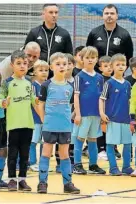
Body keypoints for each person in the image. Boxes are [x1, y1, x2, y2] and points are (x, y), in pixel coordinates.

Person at [37, 52, 80, 194]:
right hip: (50, 125)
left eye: (65, 64)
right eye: (58, 64)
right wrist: (44, 120)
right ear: (51, 67)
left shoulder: (69, 86)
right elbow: (40, 105)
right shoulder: (46, 85)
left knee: (65, 154)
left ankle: (68, 184)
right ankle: (42, 183)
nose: (62, 67)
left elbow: (71, 105)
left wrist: (70, 117)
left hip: (65, 127)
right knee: (46, 153)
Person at [0, 50, 37, 191]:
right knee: (13, 154)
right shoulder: (7, 83)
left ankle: (22, 180)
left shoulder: (29, 83)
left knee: (25, 155)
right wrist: (3, 103)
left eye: (25, 64)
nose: (22, 66)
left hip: (28, 123)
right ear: (12, 65)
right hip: (14, 124)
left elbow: (34, 100)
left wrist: (39, 100)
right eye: (19, 63)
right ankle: (12, 179)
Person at [72, 46, 106, 175]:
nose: (90, 60)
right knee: (79, 139)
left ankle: (93, 164)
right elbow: (76, 96)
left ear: (97, 59)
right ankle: (77, 164)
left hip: (96, 114)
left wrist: (102, 113)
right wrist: (78, 114)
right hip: (84, 114)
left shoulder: (99, 78)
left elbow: (102, 98)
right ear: (81, 59)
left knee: (93, 139)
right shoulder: (79, 76)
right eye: (87, 58)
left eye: (93, 58)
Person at [99, 53, 134, 176]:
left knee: (127, 143)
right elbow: (102, 99)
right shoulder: (109, 83)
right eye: (117, 64)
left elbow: (131, 101)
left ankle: (126, 166)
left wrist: (133, 117)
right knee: (110, 143)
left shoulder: (128, 84)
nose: (120, 66)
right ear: (112, 66)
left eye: (123, 64)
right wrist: (102, 113)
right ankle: (113, 167)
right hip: (112, 118)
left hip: (125, 119)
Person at [86, 4, 134, 72]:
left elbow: (129, 56)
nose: (109, 15)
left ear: (117, 16)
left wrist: (120, 71)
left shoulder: (124, 34)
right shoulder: (94, 32)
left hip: (116, 75)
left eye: (112, 13)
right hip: (96, 73)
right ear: (102, 15)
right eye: (106, 13)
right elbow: (88, 53)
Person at [29, 60, 50, 172]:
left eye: (46, 70)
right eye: (41, 70)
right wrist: (42, 116)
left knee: (45, 141)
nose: (44, 72)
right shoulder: (33, 86)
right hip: (36, 119)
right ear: (34, 72)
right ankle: (32, 162)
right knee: (34, 140)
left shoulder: (49, 85)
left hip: (47, 119)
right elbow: (34, 103)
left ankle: (43, 162)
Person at [97, 55, 112, 160]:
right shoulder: (99, 79)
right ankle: (100, 149)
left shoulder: (114, 79)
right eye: (106, 66)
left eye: (110, 65)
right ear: (100, 68)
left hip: (111, 108)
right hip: (101, 108)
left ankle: (110, 149)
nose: (109, 68)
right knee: (100, 129)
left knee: (109, 129)